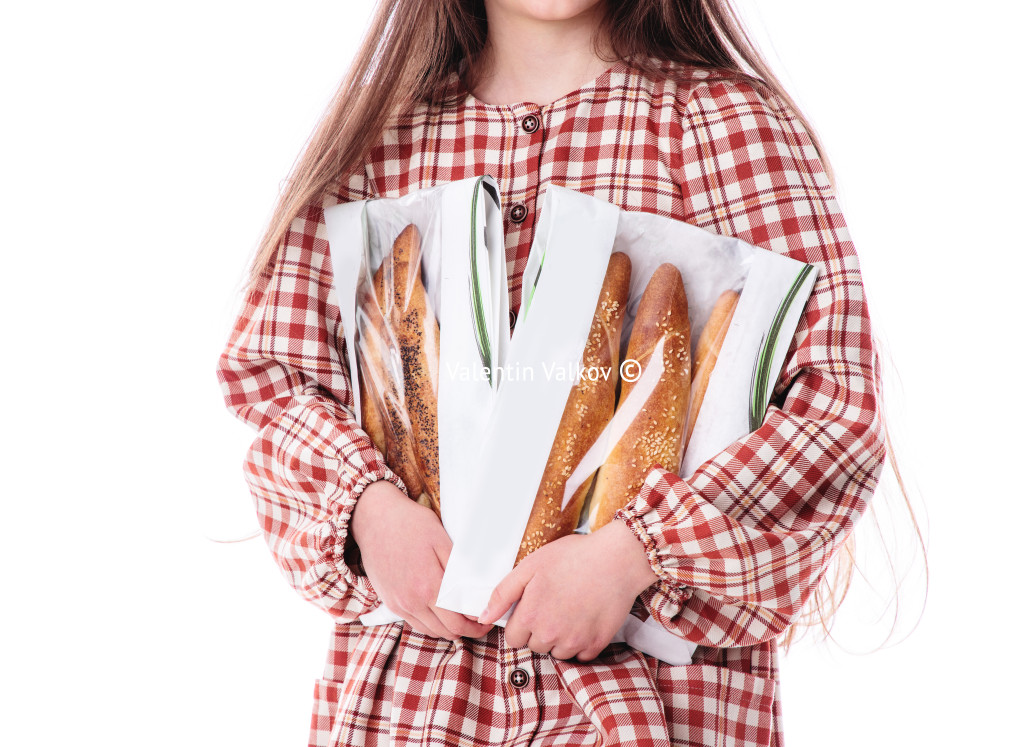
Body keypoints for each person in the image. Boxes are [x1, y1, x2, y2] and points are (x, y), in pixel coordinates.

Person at [216, 1, 892, 745]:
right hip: (411, 710)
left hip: (645, 714)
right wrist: (369, 512)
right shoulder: (382, 142)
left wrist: (633, 554)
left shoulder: (727, 128)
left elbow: (837, 408)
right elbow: (276, 385)